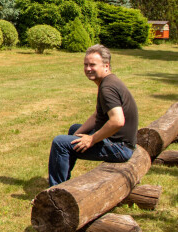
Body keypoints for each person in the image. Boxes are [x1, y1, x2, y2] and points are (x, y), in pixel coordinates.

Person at [47, 44, 138, 186]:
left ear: (106, 66)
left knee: (60, 143)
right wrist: (75, 135)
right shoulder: (108, 82)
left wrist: (92, 139)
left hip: (120, 148)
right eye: (85, 64)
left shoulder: (107, 88)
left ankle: (54, 192)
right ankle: (63, 183)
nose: (88, 69)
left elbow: (117, 121)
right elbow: (97, 116)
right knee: (74, 130)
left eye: (92, 65)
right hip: (120, 142)